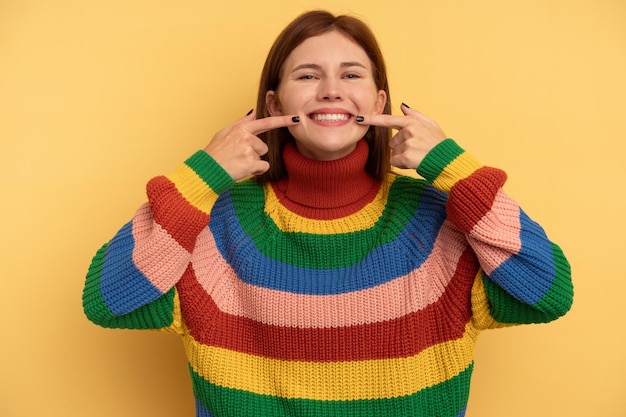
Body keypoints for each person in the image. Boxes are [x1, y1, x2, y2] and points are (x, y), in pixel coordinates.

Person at [82, 10, 574, 417]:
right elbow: (108, 299)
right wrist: (203, 174)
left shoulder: (438, 218)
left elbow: (547, 293)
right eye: (308, 75)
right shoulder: (215, 223)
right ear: (273, 103)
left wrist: (456, 170)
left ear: (379, 102)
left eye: (352, 75)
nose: (331, 91)